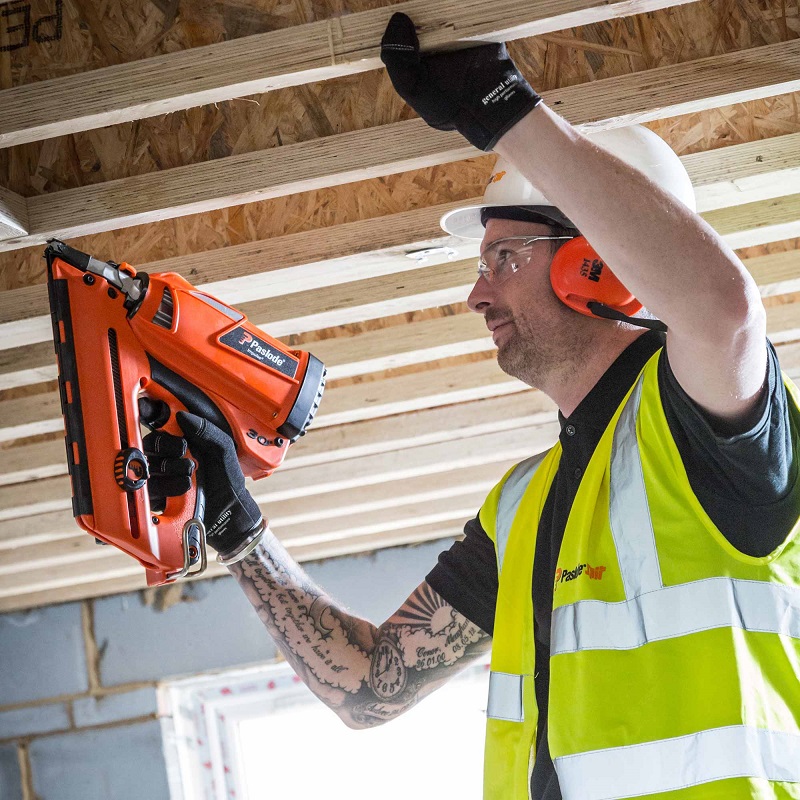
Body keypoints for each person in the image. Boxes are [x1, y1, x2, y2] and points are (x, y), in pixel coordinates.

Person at [144, 13, 800, 799]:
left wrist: (505, 110)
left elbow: (722, 311)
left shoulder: (707, 436)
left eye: (502, 257)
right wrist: (235, 526)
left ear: (599, 267)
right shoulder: (523, 507)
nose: (476, 292)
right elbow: (371, 686)